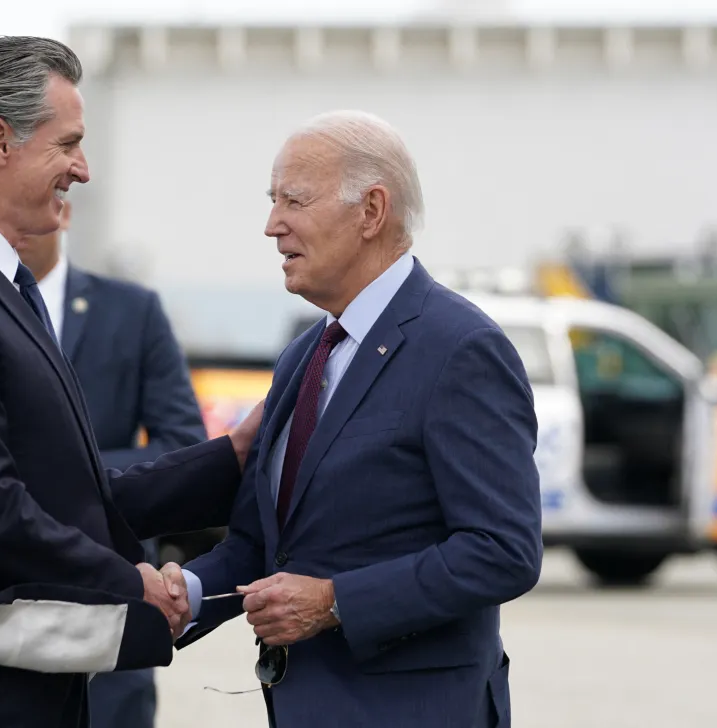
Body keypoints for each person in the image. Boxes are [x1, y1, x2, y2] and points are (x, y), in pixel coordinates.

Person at [0, 36, 260, 728]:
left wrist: (230, 459)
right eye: (67, 144)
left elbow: (66, 493)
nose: (83, 170)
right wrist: (129, 583)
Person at [174, 111, 543, 728]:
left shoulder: (460, 348)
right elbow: (265, 545)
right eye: (272, 201)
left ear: (372, 211)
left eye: (294, 200)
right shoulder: (305, 355)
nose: (272, 225)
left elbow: (503, 550)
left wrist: (335, 602)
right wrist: (179, 596)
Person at [16, 200, 207, 728]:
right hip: (0, 596)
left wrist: (55, 477)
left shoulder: (132, 311)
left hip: (114, 594)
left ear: (64, 210)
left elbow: (183, 445)